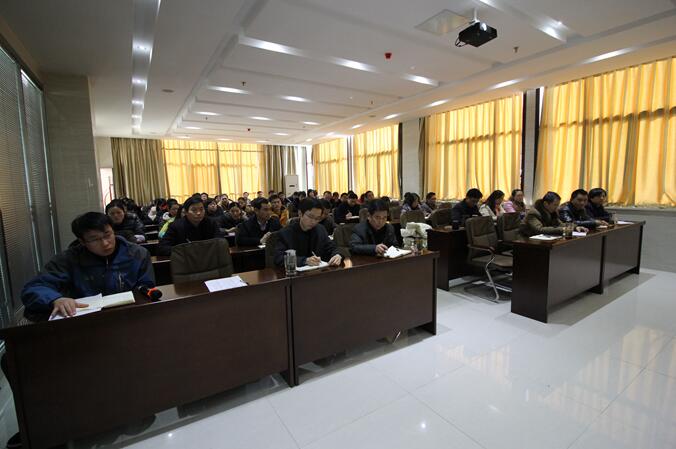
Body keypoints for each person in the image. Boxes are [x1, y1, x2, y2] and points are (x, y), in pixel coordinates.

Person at [2, 212, 156, 449]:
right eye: (95, 239)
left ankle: (132, 410)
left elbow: (146, 286)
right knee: (18, 359)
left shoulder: (136, 253)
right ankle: (53, 425)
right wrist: (55, 298)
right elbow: (33, 288)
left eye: (107, 234)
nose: (105, 243)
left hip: (124, 324)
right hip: (84, 329)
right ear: (82, 242)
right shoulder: (69, 259)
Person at [274, 198, 342, 267]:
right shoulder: (285, 233)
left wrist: (337, 255)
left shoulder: (320, 229)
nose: (313, 221)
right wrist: (304, 261)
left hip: (318, 271)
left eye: (317, 218)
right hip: (295, 272)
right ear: (300, 213)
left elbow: (332, 247)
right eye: (310, 217)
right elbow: (279, 258)